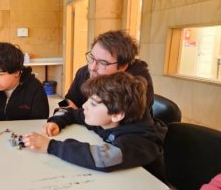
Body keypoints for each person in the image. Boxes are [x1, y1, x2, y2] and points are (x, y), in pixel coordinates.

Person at [23, 72, 167, 181]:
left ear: (117, 115)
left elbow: (102, 158)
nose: (84, 106)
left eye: (93, 104)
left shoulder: (139, 141)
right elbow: (71, 112)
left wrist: (50, 146)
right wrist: (56, 121)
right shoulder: (107, 119)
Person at [61, 30, 154, 113]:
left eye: (102, 63)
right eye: (92, 58)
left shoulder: (136, 84)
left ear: (123, 66)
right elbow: (68, 102)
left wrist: (76, 115)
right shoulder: (84, 72)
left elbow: (114, 122)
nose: (92, 67)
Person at [0, 42, 49, 121]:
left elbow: (41, 122)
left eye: (0, 74)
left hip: (24, 132)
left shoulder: (35, 88)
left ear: (16, 72)